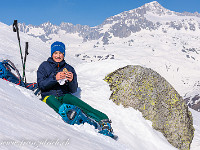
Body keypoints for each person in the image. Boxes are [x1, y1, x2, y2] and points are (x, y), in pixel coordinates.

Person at [37, 41, 112, 132]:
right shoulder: (44, 66)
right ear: (52, 54)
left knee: (81, 104)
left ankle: (103, 120)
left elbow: (73, 89)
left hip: (64, 95)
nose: (58, 56)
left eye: (60, 53)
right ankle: (78, 119)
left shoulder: (69, 68)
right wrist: (54, 78)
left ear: (63, 54)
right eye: (55, 53)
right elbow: (41, 85)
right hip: (48, 96)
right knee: (61, 108)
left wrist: (71, 81)